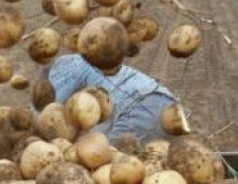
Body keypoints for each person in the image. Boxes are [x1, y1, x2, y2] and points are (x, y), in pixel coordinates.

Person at [44, 54, 180, 146]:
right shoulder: (89, 67)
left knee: (106, 164)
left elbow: (54, 111)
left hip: (141, 108)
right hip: (169, 108)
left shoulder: (60, 69)